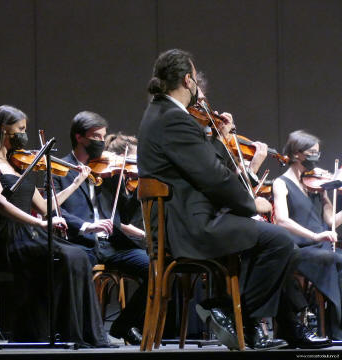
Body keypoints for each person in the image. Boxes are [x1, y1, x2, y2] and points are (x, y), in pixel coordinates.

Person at [136, 49, 330, 349]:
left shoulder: (161, 115)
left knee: (273, 243)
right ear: (188, 80)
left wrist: (217, 139)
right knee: (279, 243)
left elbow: (201, 167)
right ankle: (229, 311)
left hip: (183, 221)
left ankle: (271, 326)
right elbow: (214, 177)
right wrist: (251, 204)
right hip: (193, 227)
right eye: (194, 78)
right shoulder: (175, 120)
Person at [0, 105, 111, 347]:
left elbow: (47, 206)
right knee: (68, 255)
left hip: (29, 232)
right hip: (6, 236)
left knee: (77, 253)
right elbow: (0, 203)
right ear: (4, 129)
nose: (24, 134)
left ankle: (78, 333)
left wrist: (76, 182)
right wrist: (39, 222)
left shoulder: (19, 167)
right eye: (20, 129)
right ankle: (58, 331)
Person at [52, 114, 147, 345]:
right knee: (78, 264)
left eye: (103, 137)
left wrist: (128, 186)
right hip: (82, 242)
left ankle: (123, 324)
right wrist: (86, 225)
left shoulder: (108, 171)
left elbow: (123, 213)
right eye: (96, 136)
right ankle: (88, 332)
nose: (101, 142)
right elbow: (54, 209)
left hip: (112, 244)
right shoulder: (60, 170)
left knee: (155, 268)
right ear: (79, 137)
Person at [273, 130, 342, 339]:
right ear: (296, 154)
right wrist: (314, 236)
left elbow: (331, 223)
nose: (316, 158)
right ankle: (336, 328)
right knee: (332, 258)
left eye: (318, 153)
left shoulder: (315, 184)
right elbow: (282, 220)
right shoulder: (281, 183)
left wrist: (327, 196)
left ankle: (334, 328)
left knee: (337, 258)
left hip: (320, 246)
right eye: (312, 152)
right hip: (299, 249)